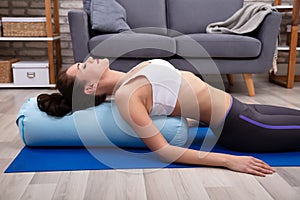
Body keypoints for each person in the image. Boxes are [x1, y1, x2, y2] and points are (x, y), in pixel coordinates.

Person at [38, 57, 300, 177]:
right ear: (90, 88)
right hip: (242, 126)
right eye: (83, 67)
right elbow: (163, 151)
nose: (90, 59)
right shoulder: (126, 97)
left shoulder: (130, 75)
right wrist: (229, 161)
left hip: (245, 110)